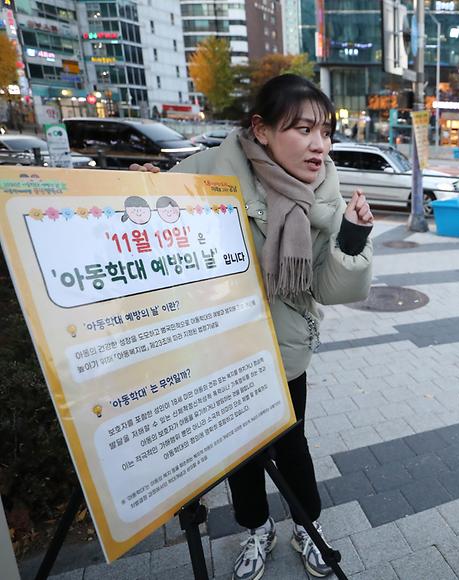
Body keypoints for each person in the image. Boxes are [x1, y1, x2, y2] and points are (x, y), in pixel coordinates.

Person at [132, 74, 374, 580]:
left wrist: (351, 240)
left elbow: (326, 288)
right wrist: (134, 189)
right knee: (241, 453)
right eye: (304, 128)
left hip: (284, 348)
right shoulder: (205, 173)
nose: (319, 144)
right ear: (261, 129)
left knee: (292, 444)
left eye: (326, 130)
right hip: (221, 348)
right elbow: (147, 221)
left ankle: (307, 527)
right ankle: (255, 528)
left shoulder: (324, 187)